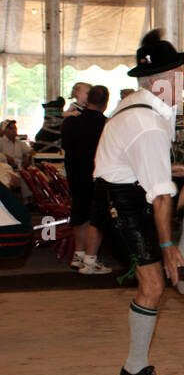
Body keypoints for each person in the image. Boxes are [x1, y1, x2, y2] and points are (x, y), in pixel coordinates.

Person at [91, 30, 184, 375]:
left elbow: (133, 161)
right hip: (122, 207)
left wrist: (175, 169)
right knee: (152, 287)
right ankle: (134, 369)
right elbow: (160, 197)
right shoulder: (148, 122)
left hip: (134, 190)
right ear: (161, 82)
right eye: (179, 74)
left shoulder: (143, 105)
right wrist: (167, 247)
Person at [62, 84, 111, 274]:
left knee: (79, 213)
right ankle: (91, 260)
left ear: (88, 99)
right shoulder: (107, 124)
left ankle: (78, 255)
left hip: (75, 173)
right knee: (96, 218)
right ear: (105, 104)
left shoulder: (71, 122)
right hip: (97, 175)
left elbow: (65, 145)